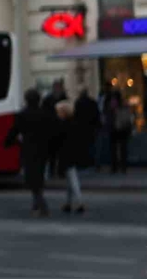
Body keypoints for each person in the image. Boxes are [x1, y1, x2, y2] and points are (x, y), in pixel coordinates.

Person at [6, 84, 56, 217]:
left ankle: (40, 204)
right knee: (38, 177)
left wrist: (8, 143)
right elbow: (52, 132)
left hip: (28, 149)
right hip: (43, 150)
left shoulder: (22, 115)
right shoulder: (44, 114)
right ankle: (36, 204)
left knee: (31, 178)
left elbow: (14, 131)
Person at [59, 84, 98, 214]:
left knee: (72, 178)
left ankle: (80, 202)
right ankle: (68, 203)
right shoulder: (73, 122)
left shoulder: (65, 124)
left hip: (68, 154)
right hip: (75, 150)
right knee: (70, 179)